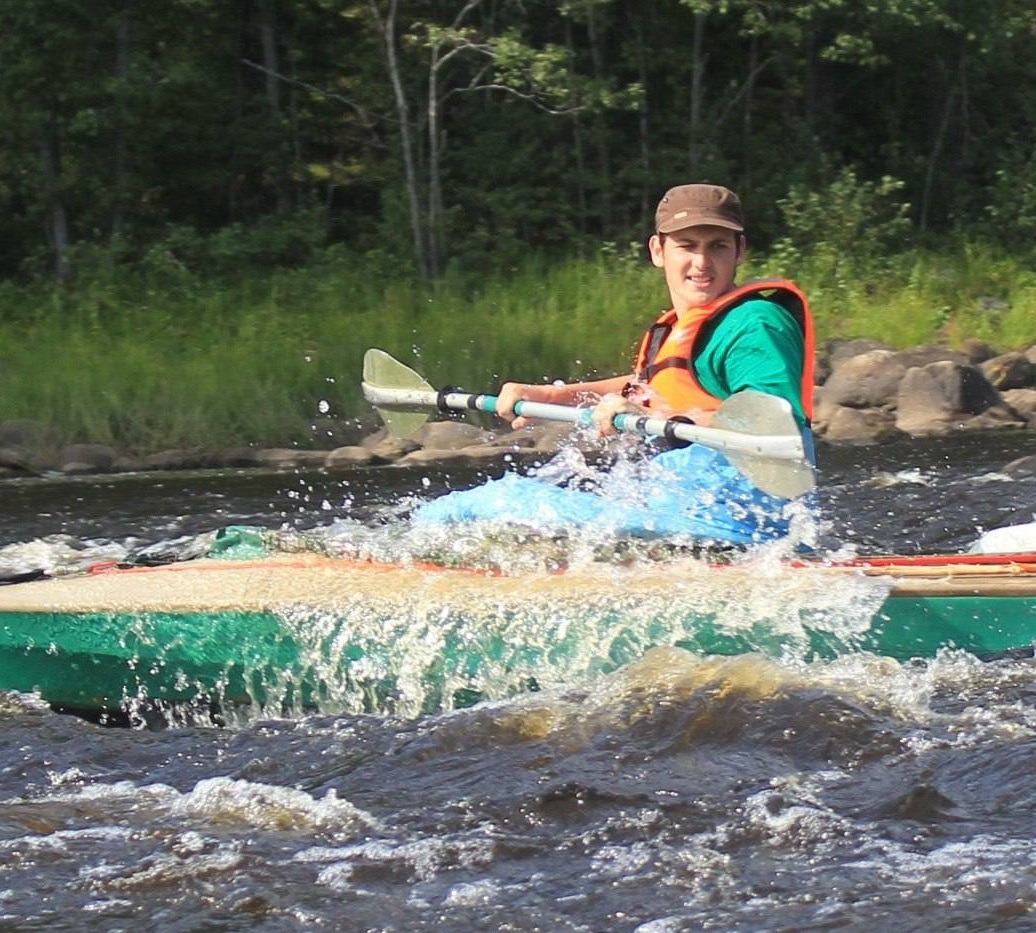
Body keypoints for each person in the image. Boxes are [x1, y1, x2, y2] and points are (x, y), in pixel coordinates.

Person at [415, 183, 816, 545]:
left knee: (484, 504)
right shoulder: (675, 330)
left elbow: (774, 422)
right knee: (471, 512)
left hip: (738, 527)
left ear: (740, 251)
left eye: (717, 246)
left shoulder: (755, 325)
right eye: (687, 245)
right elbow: (642, 389)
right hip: (684, 513)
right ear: (658, 251)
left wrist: (669, 417)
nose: (701, 262)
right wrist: (551, 396)